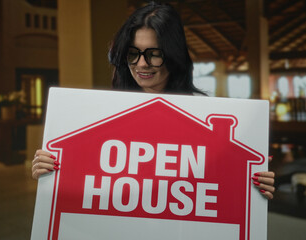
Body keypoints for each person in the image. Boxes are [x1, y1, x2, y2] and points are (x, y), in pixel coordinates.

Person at [32, 2, 275, 199]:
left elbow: (216, 188)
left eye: (154, 54)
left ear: (174, 55)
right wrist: (51, 171)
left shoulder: (204, 120)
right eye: (133, 53)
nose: (141, 64)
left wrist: (253, 185)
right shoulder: (106, 115)